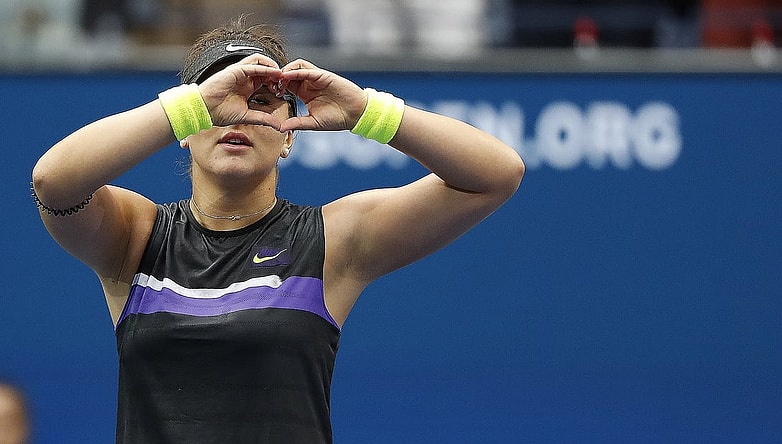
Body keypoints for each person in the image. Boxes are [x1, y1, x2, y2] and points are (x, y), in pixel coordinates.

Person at [31, 16, 524, 444]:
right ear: (184, 128)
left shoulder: (334, 240)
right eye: (218, 100)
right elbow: (54, 182)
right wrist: (187, 107)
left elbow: (496, 174)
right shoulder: (134, 235)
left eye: (264, 100)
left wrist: (366, 114)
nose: (238, 113)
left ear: (289, 137)